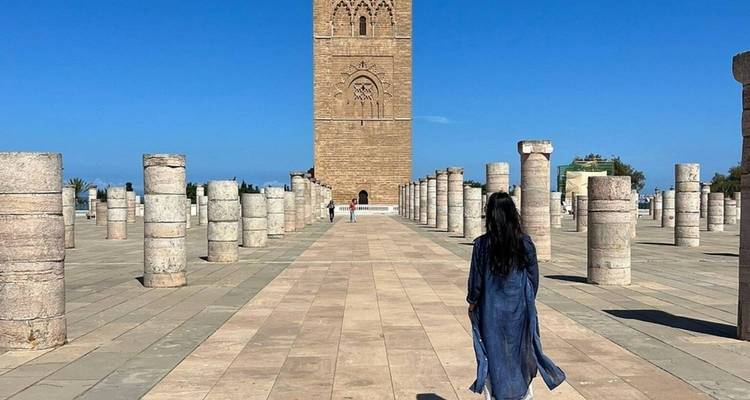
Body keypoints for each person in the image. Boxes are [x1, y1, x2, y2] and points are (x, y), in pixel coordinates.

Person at [467, 192, 565, 400]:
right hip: (519, 309)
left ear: (490, 216)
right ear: (513, 214)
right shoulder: (524, 242)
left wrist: (473, 302)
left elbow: (476, 282)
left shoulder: (482, 245)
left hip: (490, 310)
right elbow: (533, 278)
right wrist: (526, 300)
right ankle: (522, 395)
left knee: (493, 354)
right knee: (520, 351)